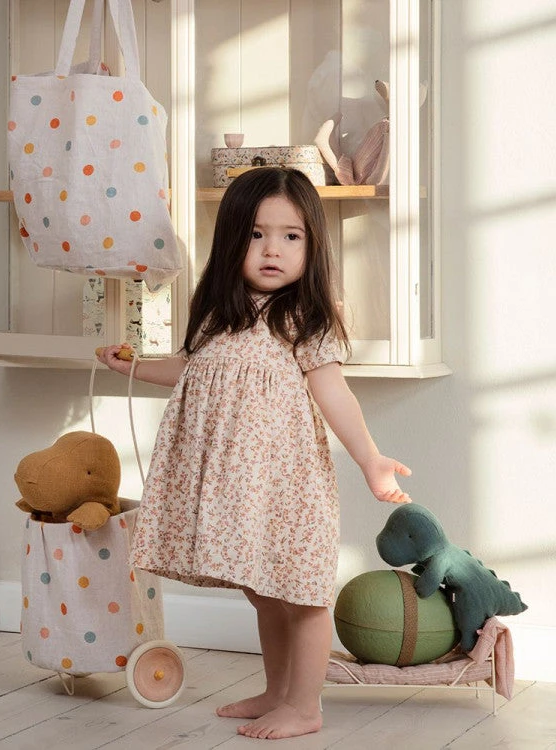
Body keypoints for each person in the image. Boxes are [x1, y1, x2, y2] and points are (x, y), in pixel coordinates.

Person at [97, 166, 411, 740]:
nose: (273, 250)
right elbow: (191, 370)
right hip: (234, 488)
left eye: (291, 236)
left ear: (311, 245)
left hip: (283, 485)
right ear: (231, 240)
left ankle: (305, 706)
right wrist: (134, 366)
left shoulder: (304, 317)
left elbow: (334, 393)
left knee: (302, 595)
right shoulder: (221, 311)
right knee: (263, 592)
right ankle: (277, 691)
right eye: (256, 234)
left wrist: (370, 459)